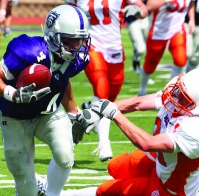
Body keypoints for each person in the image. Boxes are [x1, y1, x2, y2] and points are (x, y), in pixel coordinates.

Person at [0, 5, 100, 196]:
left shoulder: (79, 58)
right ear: (53, 35)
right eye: (69, 41)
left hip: (48, 112)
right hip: (15, 116)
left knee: (65, 155)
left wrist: (73, 112)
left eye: (79, 41)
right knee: (24, 181)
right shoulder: (29, 50)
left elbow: (63, 80)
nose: (76, 47)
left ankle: (52, 194)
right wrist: (14, 94)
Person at [90, 68, 199, 195]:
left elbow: (147, 143)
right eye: (179, 90)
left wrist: (114, 114)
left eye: (183, 96)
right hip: (159, 158)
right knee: (114, 166)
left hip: (171, 186)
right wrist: (97, 111)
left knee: (105, 190)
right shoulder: (185, 98)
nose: (176, 95)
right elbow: (138, 103)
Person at [65, 0, 148, 162]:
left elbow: (143, 9)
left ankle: (88, 112)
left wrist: (136, 11)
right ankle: (104, 143)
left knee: (112, 95)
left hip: (114, 46)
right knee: (101, 89)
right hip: (91, 45)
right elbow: (65, 14)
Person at [138, 0, 195, 96]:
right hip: (159, 31)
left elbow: (191, 3)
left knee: (181, 60)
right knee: (150, 63)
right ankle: (142, 89)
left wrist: (192, 19)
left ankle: (172, 91)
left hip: (177, 30)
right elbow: (149, 6)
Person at [124, 0, 150, 74]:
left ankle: (146, 73)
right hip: (132, 20)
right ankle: (136, 60)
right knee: (141, 49)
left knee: (147, 46)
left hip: (145, 19)